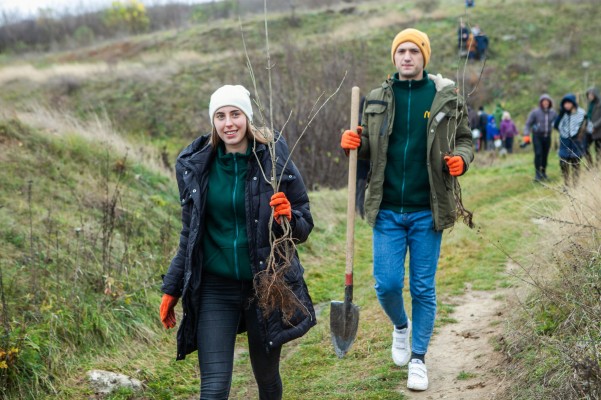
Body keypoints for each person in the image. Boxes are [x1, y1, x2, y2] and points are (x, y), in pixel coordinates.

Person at [159, 84, 316, 400]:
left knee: (267, 379)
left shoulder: (271, 158)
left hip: (267, 285)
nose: (228, 123)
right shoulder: (196, 165)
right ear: (212, 121)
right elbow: (190, 234)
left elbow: (304, 225)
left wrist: (288, 217)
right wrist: (172, 287)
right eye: (220, 116)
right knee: (214, 388)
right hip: (215, 287)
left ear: (247, 117)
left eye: (235, 114)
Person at [340, 28, 473, 392]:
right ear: (394, 57)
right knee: (387, 284)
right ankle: (401, 326)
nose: (408, 57)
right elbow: (367, 146)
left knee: (423, 288)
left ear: (424, 57)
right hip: (386, 209)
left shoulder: (446, 97)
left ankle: (418, 359)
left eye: (415, 51)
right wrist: (353, 143)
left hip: (427, 209)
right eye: (402, 51)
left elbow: (465, 139)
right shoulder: (377, 97)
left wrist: (461, 158)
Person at [554, 93, 587, 187]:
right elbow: (556, 125)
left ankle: (576, 184)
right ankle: (566, 184)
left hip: (576, 142)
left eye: (568, 103)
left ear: (572, 103)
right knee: (563, 163)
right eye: (565, 103)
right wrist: (560, 115)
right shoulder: (563, 113)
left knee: (575, 163)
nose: (566, 105)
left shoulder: (581, 113)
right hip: (565, 141)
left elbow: (585, 125)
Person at [524, 94, 558, 181]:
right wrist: (526, 135)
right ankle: (537, 174)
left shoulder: (553, 113)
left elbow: (558, 123)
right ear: (541, 103)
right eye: (544, 101)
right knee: (538, 154)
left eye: (547, 101)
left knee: (545, 155)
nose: (545, 103)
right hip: (537, 136)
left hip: (547, 137)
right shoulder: (535, 113)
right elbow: (528, 124)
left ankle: (543, 173)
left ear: (549, 103)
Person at [586, 87, 601, 164]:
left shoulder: (599, 103)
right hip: (589, 129)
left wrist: (595, 126)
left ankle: (598, 166)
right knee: (585, 146)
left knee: (598, 149)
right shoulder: (590, 104)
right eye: (588, 94)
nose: (589, 96)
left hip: (599, 131)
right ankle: (590, 164)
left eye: (591, 94)